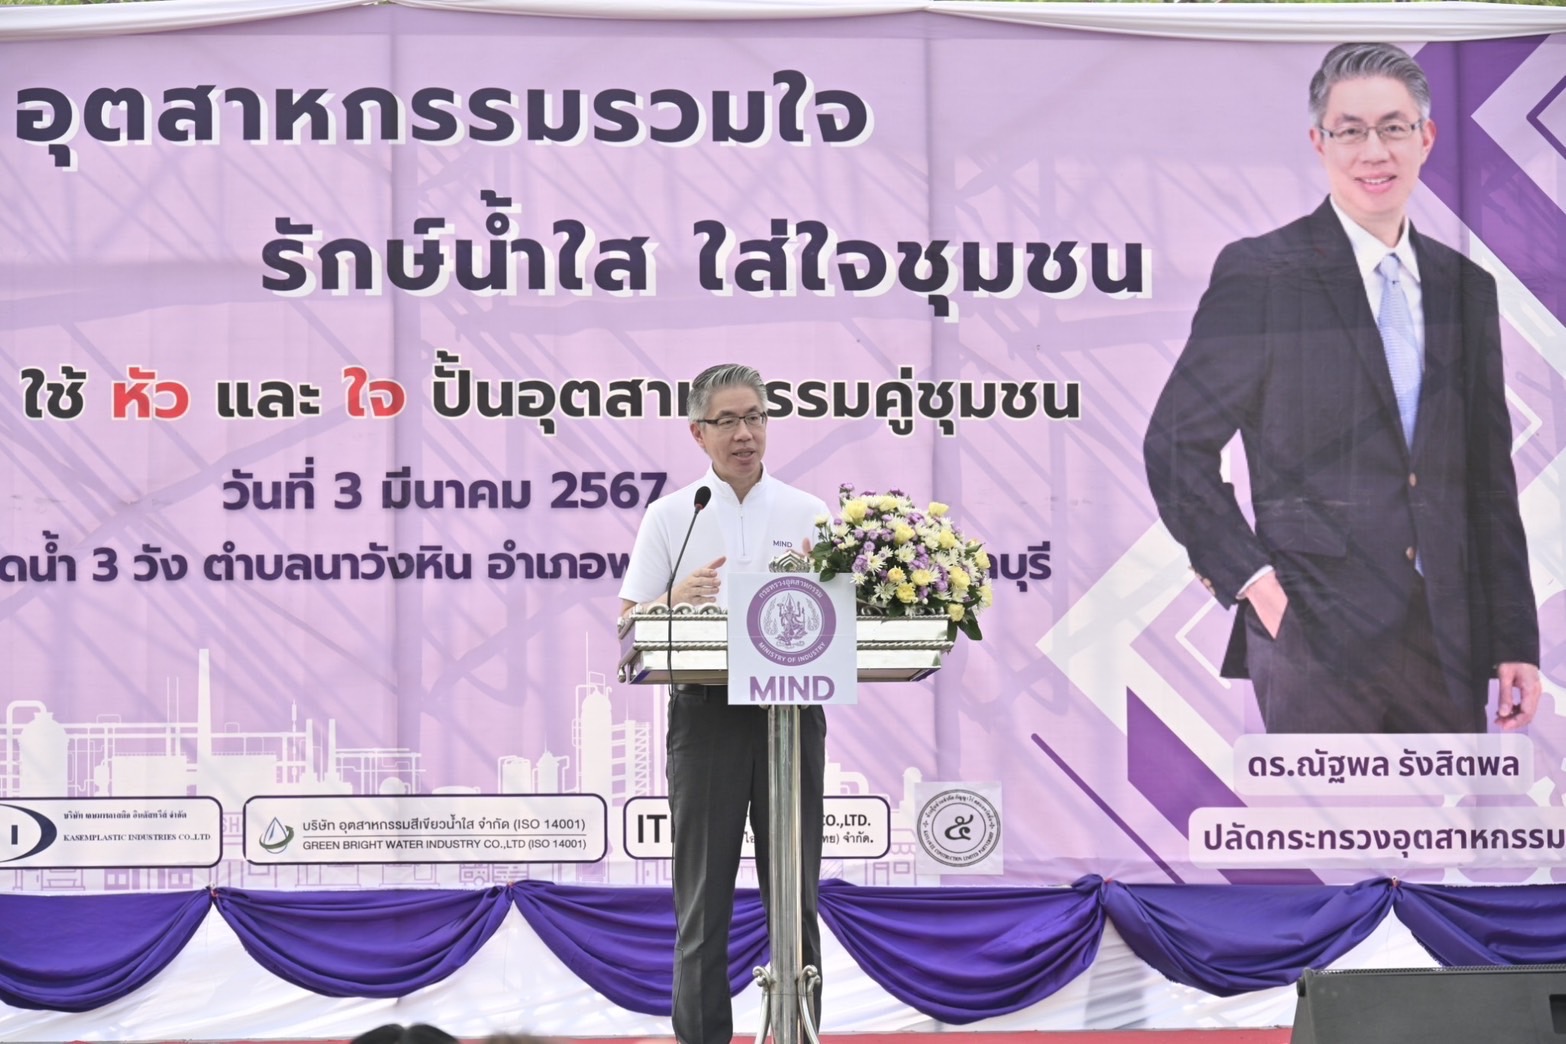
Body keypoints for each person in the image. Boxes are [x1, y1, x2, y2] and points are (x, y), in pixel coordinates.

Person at [1144, 42, 1541, 734]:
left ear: (1425, 138)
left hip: (1445, 638)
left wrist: (1513, 638)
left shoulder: (1465, 287)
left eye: (1393, 128)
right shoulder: (1264, 272)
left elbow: (1486, 475)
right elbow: (1176, 445)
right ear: (1319, 143)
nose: (1373, 152)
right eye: (1350, 131)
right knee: (1320, 810)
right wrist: (1258, 587)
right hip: (1312, 638)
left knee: (1448, 812)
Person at [618, 363, 829, 1044]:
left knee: (794, 896)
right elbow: (627, 624)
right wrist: (672, 600)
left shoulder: (808, 511)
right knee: (704, 902)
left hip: (791, 712)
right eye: (729, 421)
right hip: (706, 715)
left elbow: (839, 617)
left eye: (756, 418)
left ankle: (795, 1033)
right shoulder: (674, 515)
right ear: (698, 433)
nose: (745, 434)